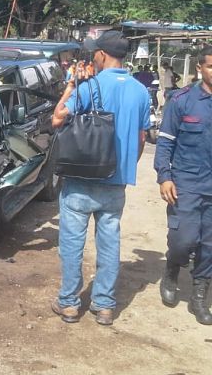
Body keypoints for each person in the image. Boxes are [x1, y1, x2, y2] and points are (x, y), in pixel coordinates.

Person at [51, 30, 151, 325]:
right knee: (109, 241)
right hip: (116, 181)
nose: (93, 54)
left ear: (102, 55)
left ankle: (69, 303)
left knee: (72, 242)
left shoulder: (88, 86)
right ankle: (104, 305)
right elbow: (141, 138)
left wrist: (71, 86)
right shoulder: (140, 91)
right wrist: (122, 167)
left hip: (81, 180)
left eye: (95, 51)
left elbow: (57, 118)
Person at [154, 46, 212, 325]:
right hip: (186, 184)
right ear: (200, 68)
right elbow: (165, 142)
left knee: (209, 246)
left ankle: (200, 297)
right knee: (183, 240)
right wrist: (164, 176)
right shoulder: (182, 101)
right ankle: (172, 268)